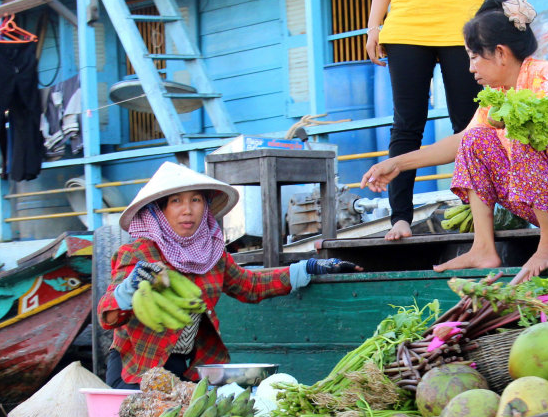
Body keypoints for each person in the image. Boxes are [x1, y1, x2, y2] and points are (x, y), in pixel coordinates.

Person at [361, 0, 548, 282]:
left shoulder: (547, 77)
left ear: (500, 53)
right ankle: (483, 247)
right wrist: (397, 163)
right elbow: (460, 142)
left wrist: (537, 123)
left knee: (525, 134)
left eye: (475, 57)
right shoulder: (499, 93)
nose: (471, 68)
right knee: (474, 141)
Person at [98, 161, 362, 389]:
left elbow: (250, 285)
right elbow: (107, 316)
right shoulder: (138, 254)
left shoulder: (213, 255)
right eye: (176, 201)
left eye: (196, 200)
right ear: (160, 210)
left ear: (206, 206)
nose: (187, 210)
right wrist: (128, 290)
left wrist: (307, 268)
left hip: (188, 366)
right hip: (138, 367)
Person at [366, 0, 487, 241]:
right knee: (407, 125)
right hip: (406, 26)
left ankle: (479, 215)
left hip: (463, 23)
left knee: (471, 127)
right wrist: (373, 27)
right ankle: (400, 218)